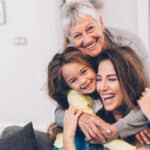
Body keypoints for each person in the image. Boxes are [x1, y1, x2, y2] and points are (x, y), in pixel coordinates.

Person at [55, 0, 150, 144]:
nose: (87, 40)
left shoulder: (130, 44)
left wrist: (121, 129)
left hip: (133, 117)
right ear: (70, 40)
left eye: (90, 28)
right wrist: (81, 118)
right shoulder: (72, 58)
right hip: (103, 117)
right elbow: (59, 111)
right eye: (77, 36)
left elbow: (148, 97)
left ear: (101, 22)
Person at [47, 47, 149, 149]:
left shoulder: (142, 118)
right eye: (99, 79)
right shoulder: (95, 130)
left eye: (112, 79)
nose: (102, 87)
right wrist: (68, 138)